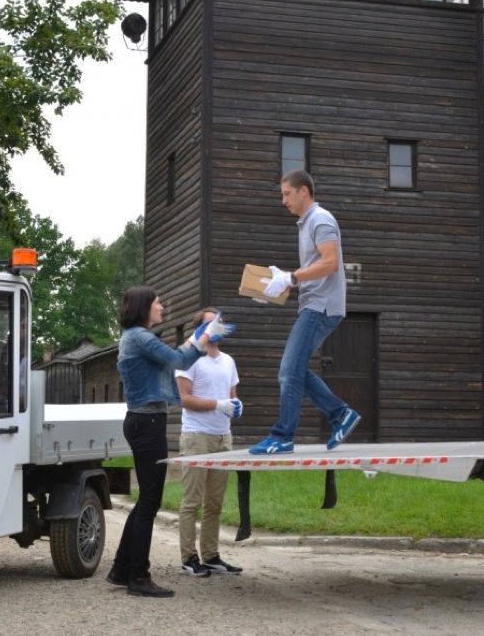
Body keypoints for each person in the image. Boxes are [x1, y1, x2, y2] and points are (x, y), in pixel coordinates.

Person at [107, 286, 234, 598]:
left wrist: (199, 336)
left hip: (143, 420)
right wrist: (204, 337)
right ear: (144, 307)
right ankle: (138, 576)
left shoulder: (137, 337)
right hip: (147, 422)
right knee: (150, 501)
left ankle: (122, 569)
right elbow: (179, 360)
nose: (162, 308)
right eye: (158, 303)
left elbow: (175, 355)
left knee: (144, 502)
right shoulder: (140, 337)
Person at [251, 168, 361, 455]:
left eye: (286, 193)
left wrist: (291, 278)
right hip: (316, 304)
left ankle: (283, 436)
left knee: (288, 372)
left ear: (303, 191)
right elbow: (316, 268)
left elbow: (330, 263)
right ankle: (340, 414)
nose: (283, 200)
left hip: (320, 307)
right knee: (295, 370)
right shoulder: (308, 223)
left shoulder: (320, 219)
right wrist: (279, 285)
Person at [175, 308, 244, 578]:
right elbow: (184, 399)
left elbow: (232, 397)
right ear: (200, 329)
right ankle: (188, 558)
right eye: (212, 323)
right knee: (192, 501)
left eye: (221, 323)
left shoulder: (228, 361)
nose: (219, 327)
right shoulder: (189, 357)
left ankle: (211, 555)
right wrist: (219, 404)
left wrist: (236, 407)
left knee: (215, 502)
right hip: (196, 436)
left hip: (222, 436)